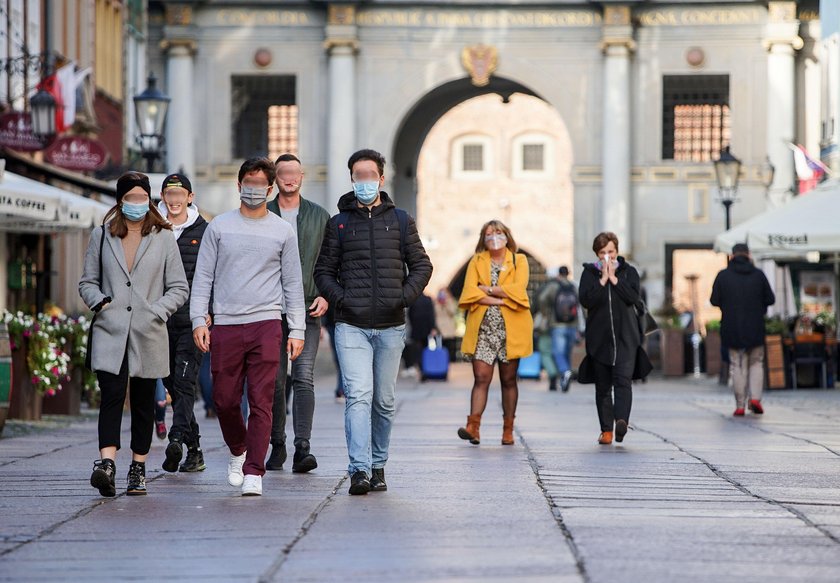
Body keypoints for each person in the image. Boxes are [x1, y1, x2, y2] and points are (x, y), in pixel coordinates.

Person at [314, 148, 432, 495]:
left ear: (381, 179)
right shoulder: (338, 223)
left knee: (383, 400)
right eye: (358, 175)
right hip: (350, 324)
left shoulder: (400, 221)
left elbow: (422, 265)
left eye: (370, 175)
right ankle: (359, 470)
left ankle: (378, 464)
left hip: (391, 325)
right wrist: (342, 299)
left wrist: (403, 297)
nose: (364, 181)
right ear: (352, 179)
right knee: (358, 395)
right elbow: (324, 272)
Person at [190, 157, 306, 496]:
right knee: (224, 400)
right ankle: (238, 450)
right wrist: (199, 319)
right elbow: (204, 278)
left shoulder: (283, 231)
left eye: (260, 185)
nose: (254, 189)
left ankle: (255, 469)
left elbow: (292, 283)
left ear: (270, 189)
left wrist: (296, 329)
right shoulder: (219, 227)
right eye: (248, 183)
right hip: (226, 324)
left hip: (267, 323)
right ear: (238, 185)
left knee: (262, 400)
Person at [79, 171, 189, 497]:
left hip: (148, 331)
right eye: (130, 198)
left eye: (142, 198)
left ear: (150, 200)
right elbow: (87, 281)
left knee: (143, 401)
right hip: (110, 330)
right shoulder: (102, 235)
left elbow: (179, 287)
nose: (136, 204)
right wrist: (99, 302)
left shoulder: (163, 236)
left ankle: (138, 468)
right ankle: (107, 464)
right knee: (111, 397)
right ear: (120, 200)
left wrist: (157, 311)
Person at [265, 153, 331, 473]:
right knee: (276, 381)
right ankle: (277, 443)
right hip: (269, 309)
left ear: (302, 176)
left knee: (303, 377)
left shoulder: (320, 216)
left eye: (294, 172)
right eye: (283, 173)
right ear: (275, 178)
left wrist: (325, 295)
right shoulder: (263, 214)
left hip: (307, 308)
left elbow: (330, 263)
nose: (289, 178)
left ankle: (302, 446)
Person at [456, 220, 532, 446]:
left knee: (509, 380)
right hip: (483, 330)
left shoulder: (520, 261)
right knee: (481, 378)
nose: (494, 237)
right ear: (483, 238)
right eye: (489, 234)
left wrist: (486, 290)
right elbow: (468, 292)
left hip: (511, 330)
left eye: (498, 233)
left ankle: (508, 429)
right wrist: (501, 299)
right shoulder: (477, 261)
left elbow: (519, 291)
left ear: (507, 236)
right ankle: (473, 426)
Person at [157, 173, 210, 473]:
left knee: (185, 381)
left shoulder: (204, 231)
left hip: (192, 319)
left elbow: (214, 273)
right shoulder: (154, 228)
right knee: (171, 384)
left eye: (180, 194)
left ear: (190, 197)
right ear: (163, 197)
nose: (174, 200)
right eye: (169, 194)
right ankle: (196, 449)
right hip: (159, 320)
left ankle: (176, 440)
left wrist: (208, 311)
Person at [577, 232, 650, 445]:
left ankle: (621, 422)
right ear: (596, 254)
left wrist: (615, 280)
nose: (607, 256)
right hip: (599, 339)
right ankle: (606, 429)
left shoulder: (629, 272)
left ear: (617, 251)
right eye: (602, 253)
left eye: (610, 252)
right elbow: (586, 300)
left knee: (623, 382)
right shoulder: (589, 274)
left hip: (626, 337)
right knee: (602, 386)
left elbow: (633, 298)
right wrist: (602, 281)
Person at [710, 243, 775, 416]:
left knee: (737, 365)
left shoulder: (723, 276)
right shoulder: (759, 275)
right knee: (756, 363)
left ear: (732, 256)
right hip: (756, 327)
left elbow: (714, 300)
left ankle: (740, 405)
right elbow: (770, 299)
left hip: (732, 328)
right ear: (749, 255)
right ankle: (755, 398)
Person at [537, 266, 579, 392]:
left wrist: (547, 313)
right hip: (572, 324)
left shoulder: (553, 286)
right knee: (566, 353)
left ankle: (565, 372)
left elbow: (542, 299)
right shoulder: (574, 286)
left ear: (558, 274)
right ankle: (564, 378)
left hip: (557, 324)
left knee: (557, 352)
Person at [404, 292, 436, 378]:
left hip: (416, 328)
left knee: (418, 351)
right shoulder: (428, 299)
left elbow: (410, 315)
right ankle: (425, 369)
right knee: (425, 349)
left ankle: (421, 368)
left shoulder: (413, 300)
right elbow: (431, 314)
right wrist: (432, 327)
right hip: (426, 329)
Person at [433, 287, 459, 362]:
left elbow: (453, 312)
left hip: (449, 329)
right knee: (440, 348)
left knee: (450, 348)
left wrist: (446, 304)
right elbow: (433, 314)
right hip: (439, 329)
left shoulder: (450, 301)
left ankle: (451, 362)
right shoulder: (435, 303)